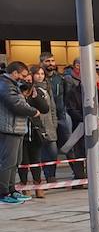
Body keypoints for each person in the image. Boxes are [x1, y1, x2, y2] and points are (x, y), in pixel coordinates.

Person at [0, 62, 38, 203]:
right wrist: (33, 111)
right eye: (22, 75)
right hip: (9, 128)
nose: (24, 78)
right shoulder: (5, 84)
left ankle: (11, 190)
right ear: (14, 73)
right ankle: (3, 193)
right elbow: (16, 104)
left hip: (17, 128)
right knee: (7, 162)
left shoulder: (13, 85)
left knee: (15, 162)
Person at [17, 68, 54, 198]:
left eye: (29, 80)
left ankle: (38, 186)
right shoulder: (16, 93)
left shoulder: (37, 92)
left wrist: (36, 96)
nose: (27, 82)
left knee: (36, 160)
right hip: (21, 132)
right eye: (24, 79)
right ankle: (24, 186)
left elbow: (45, 109)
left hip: (35, 131)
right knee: (23, 161)